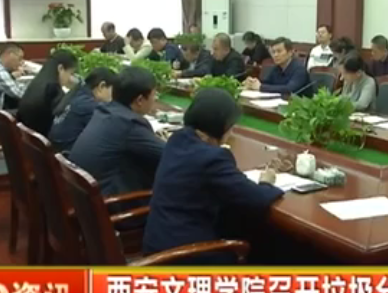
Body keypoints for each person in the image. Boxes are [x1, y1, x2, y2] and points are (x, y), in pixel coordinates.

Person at [143, 88, 283, 264]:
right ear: (222, 127)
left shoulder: (177, 139)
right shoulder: (212, 158)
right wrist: (266, 182)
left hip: (156, 245)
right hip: (184, 256)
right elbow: (256, 198)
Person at [69, 67, 165, 199]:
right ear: (140, 100)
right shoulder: (130, 124)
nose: (155, 99)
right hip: (108, 205)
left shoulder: (104, 110)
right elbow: (169, 155)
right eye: (154, 95)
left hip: (81, 197)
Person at [49, 67, 118, 152]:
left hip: (55, 150)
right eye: (113, 91)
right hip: (65, 153)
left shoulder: (77, 93)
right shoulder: (89, 105)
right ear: (102, 86)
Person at [17, 50, 78, 136]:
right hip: (41, 137)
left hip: (27, 136)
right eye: (71, 73)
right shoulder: (52, 87)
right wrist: (74, 90)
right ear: (60, 68)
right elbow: (67, 114)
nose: (70, 78)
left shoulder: (39, 81)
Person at [244, 38, 313, 97]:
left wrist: (261, 87)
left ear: (290, 53)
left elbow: (289, 89)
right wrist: (253, 83)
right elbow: (267, 83)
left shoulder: (299, 69)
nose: (275, 55)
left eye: (279, 51)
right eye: (273, 52)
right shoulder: (276, 68)